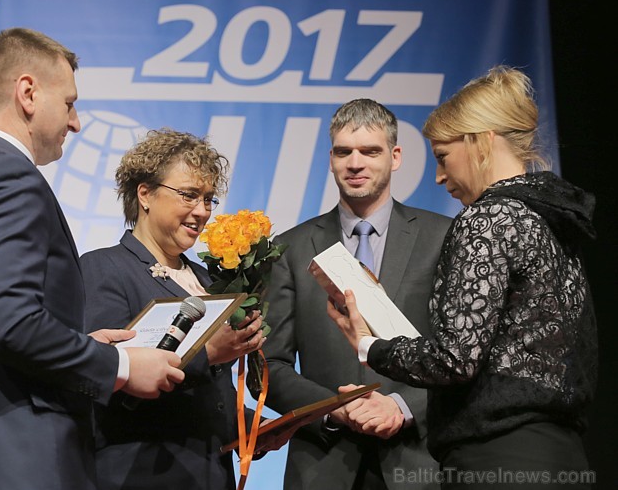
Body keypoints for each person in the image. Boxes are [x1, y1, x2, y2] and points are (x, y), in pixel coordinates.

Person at [0, 28, 184, 490]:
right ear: (28, 93)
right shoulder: (9, 179)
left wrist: (83, 343)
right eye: (70, 103)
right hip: (8, 465)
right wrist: (123, 367)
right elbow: (12, 325)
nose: (75, 123)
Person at [328, 66, 598, 489]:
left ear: (481, 141)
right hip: (563, 455)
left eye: (442, 156)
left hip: (498, 460)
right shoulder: (552, 220)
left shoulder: (488, 218)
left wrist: (369, 345)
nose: (439, 177)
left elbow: (455, 357)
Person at [261, 98, 451, 490]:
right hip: (323, 463)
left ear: (395, 157)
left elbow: (463, 356)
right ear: (330, 158)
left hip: (420, 463)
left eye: (370, 151)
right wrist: (337, 409)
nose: (355, 163)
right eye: (344, 151)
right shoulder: (291, 248)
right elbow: (270, 367)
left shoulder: (443, 237)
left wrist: (402, 406)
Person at [81, 128, 283, 490]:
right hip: (139, 476)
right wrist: (208, 353)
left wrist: (248, 425)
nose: (202, 211)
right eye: (189, 195)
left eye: (209, 199)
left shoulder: (208, 280)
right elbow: (109, 385)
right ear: (145, 194)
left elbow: (204, 396)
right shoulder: (104, 269)